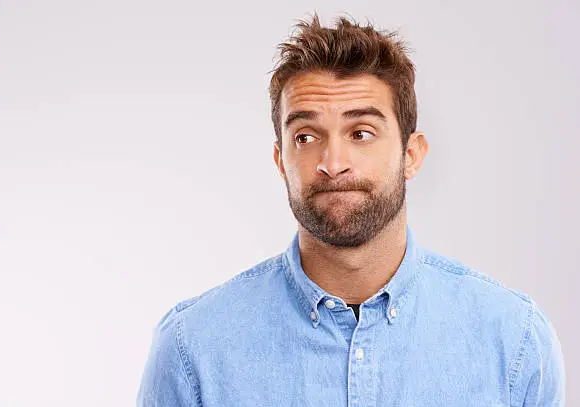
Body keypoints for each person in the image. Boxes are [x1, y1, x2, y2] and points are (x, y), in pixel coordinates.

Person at [136, 12, 565, 406]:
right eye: (306, 136)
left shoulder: (514, 340)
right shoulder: (192, 347)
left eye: (361, 132)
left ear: (411, 155)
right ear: (280, 160)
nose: (333, 162)